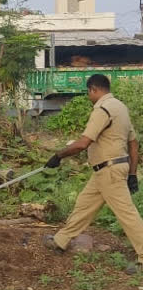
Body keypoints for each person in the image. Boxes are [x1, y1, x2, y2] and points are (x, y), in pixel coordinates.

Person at [44, 74, 143, 274]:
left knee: (127, 214)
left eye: (89, 93)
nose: (89, 97)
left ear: (93, 90)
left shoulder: (102, 109)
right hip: (106, 169)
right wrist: (132, 173)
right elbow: (133, 143)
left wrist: (58, 156)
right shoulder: (120, 108)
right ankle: (61, 241)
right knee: (83, 205)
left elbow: (83, 142)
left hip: (109, 170)